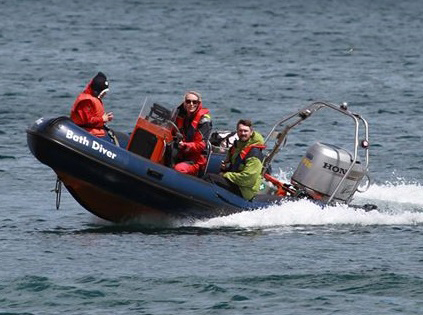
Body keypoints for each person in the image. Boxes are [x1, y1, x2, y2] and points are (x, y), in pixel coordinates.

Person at [209, 119, 265, 200]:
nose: (243, 133)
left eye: (245, 131)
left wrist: (225, 175)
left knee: (210, 178)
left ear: (251, 132)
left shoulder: (254, 154)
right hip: (236, 182)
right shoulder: (237, 147)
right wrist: (226, 167)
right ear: (237, 132)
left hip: (244, 190)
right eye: (240, 131)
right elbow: (235, 166)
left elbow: (248, 179)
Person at [173, 91, 212, 176]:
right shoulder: (179, 114)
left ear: (198, 103)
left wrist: (185, 145)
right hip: (180, 153)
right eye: (188, 101)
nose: (191, 104)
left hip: (196, 160)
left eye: (194, 102)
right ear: (184, 103)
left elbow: (201, 145)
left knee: (179, 169)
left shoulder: (204, 120)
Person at [70, 72, 114, 142]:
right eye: (103, 92)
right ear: (98, 91)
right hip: (86, 134)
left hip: (96, 132)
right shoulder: (86, 101)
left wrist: (106, 118)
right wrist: (102, 119)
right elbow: (88, 120)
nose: (105, 94)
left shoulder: (92, 99)